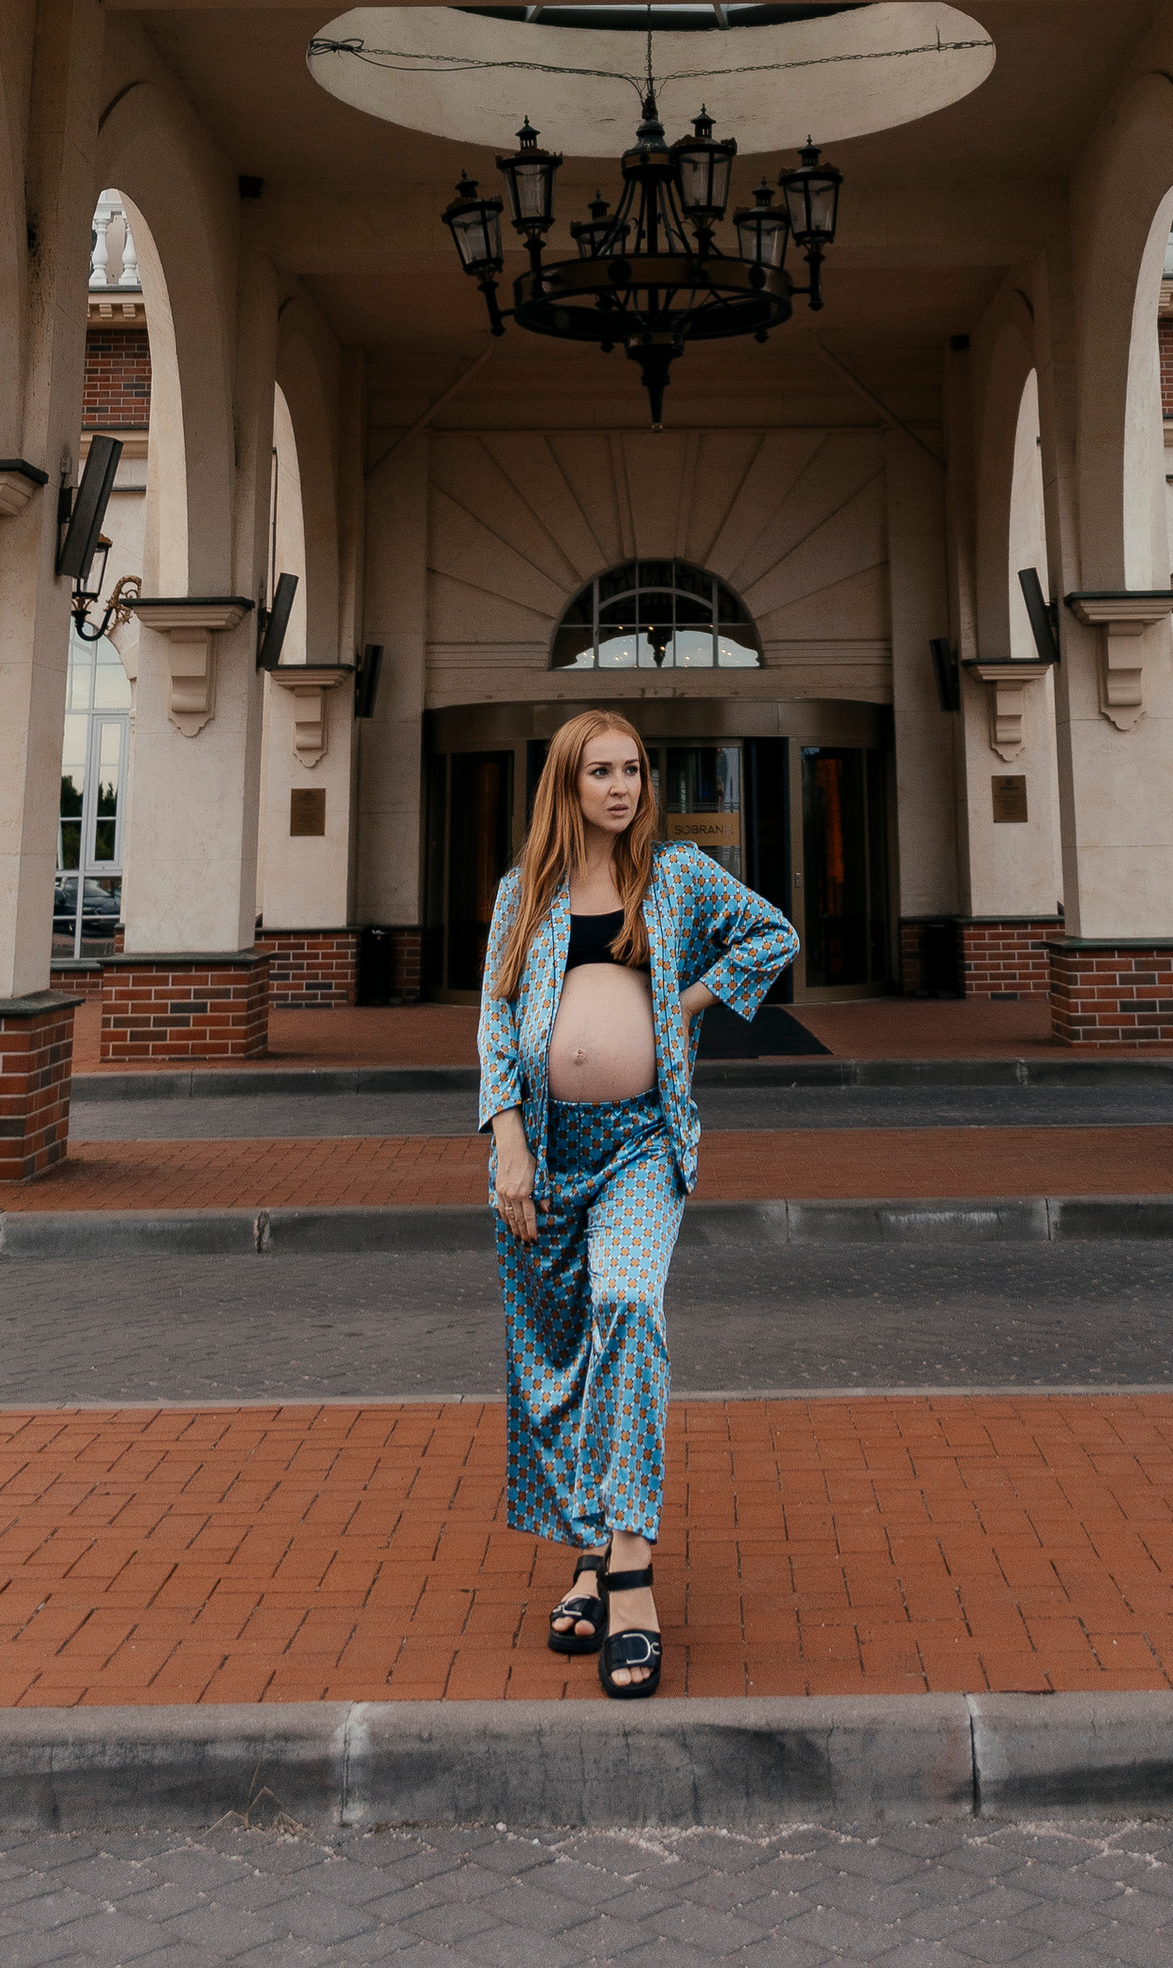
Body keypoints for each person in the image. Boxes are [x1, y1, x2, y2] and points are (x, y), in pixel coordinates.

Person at [477, 706, 798, 1698]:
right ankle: (584, 1556)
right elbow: (492, 1019)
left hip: (639, 1147)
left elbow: (771, 934)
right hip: (544, 1157)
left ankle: (631, 1568)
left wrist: (684, 1001)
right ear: (568, 785)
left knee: (624, 1311)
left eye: (634, 771)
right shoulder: (519, 894)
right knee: (557, 1361)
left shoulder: (676, 878)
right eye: (601, 772)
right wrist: (509, 1146)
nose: (622, 788)